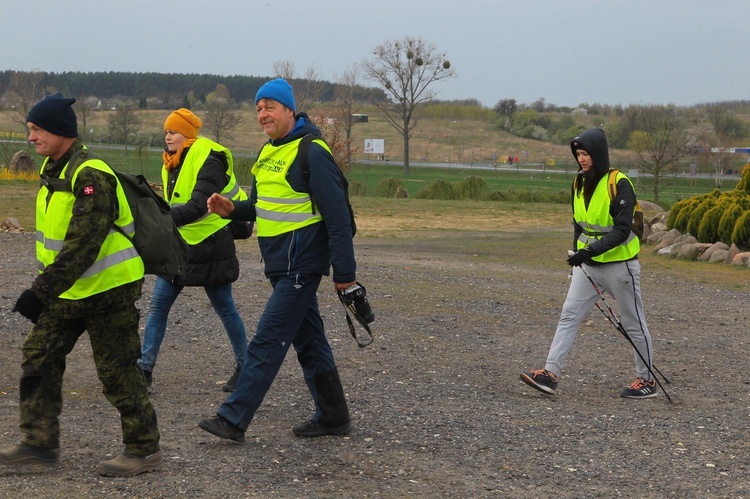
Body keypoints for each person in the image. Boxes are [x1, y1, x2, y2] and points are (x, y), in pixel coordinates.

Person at [0, 93, 162, 476]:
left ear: (60, 131)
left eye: (37, 129)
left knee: (117, 373)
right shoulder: (54, 170)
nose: (31, 138)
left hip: (108, 291)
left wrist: (39, 292)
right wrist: (50, 290)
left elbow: (84, 243)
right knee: (38, 356)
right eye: (30, 130)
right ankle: (38, 443)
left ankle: (143, 450)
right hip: (69, 292)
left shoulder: (91, 174)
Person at [198, 78, 357, 442]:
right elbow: (263, 205)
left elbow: (338, 217)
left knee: (268, 338)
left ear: (289, 109)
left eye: (269, 106)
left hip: (302, 264)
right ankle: (334, 416)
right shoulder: (268, 152)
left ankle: (233, 418)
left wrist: (344, 273)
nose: (263, 114)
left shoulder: (312, 151)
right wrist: (232, 209)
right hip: (279, 264)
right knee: (310, 340)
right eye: (258, 108)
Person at [520, 127, 657, 399]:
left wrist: (589, 252)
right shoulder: (578, 182)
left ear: (599, 153)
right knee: (569, 315)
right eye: (578, 154)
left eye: (587, 153)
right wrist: (576, 253)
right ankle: (550, 374)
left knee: (633, 323)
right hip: (588, 266)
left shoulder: (620, 183)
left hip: (620, 266)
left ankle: (647, 380)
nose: (582, 158)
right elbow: (579, 223)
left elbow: (621, 230)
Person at [138, 108, 249, 392]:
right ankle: (144, 370)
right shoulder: (172, 161)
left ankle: (246, 366)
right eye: (165, 132)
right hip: (183, 243)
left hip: (211, 242)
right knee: (158, 306)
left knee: (225, 308)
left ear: (187, 134)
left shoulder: (208, 158)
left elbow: (199, 206)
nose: (167, 136)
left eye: (172, 131)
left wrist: (159, 222)